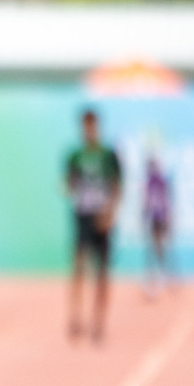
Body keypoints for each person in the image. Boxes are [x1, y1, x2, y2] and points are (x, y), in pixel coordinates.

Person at [65, 108, 121, 345]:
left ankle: (99, 322)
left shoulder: (108, 155)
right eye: (85, 125)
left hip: (102, 218)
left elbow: (117, 186)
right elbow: (69, 183)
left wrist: (109, 214)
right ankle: (76, 317)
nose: (89, 130)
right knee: (79, 266)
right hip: (83, 216)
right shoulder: (75, 156)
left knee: (101, 272)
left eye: (92, 125)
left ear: (97, 126)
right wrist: (71, 187)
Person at [141, 155, 172, 298]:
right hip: (154, 217)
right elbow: (146, 201)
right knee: (155, 247)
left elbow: (165, 200)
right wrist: (144, 216)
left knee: (158, 246)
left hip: (159, 216)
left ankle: (161, 274)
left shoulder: (160, 181)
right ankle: (156, 276)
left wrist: (167, 218)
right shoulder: (150, 182)